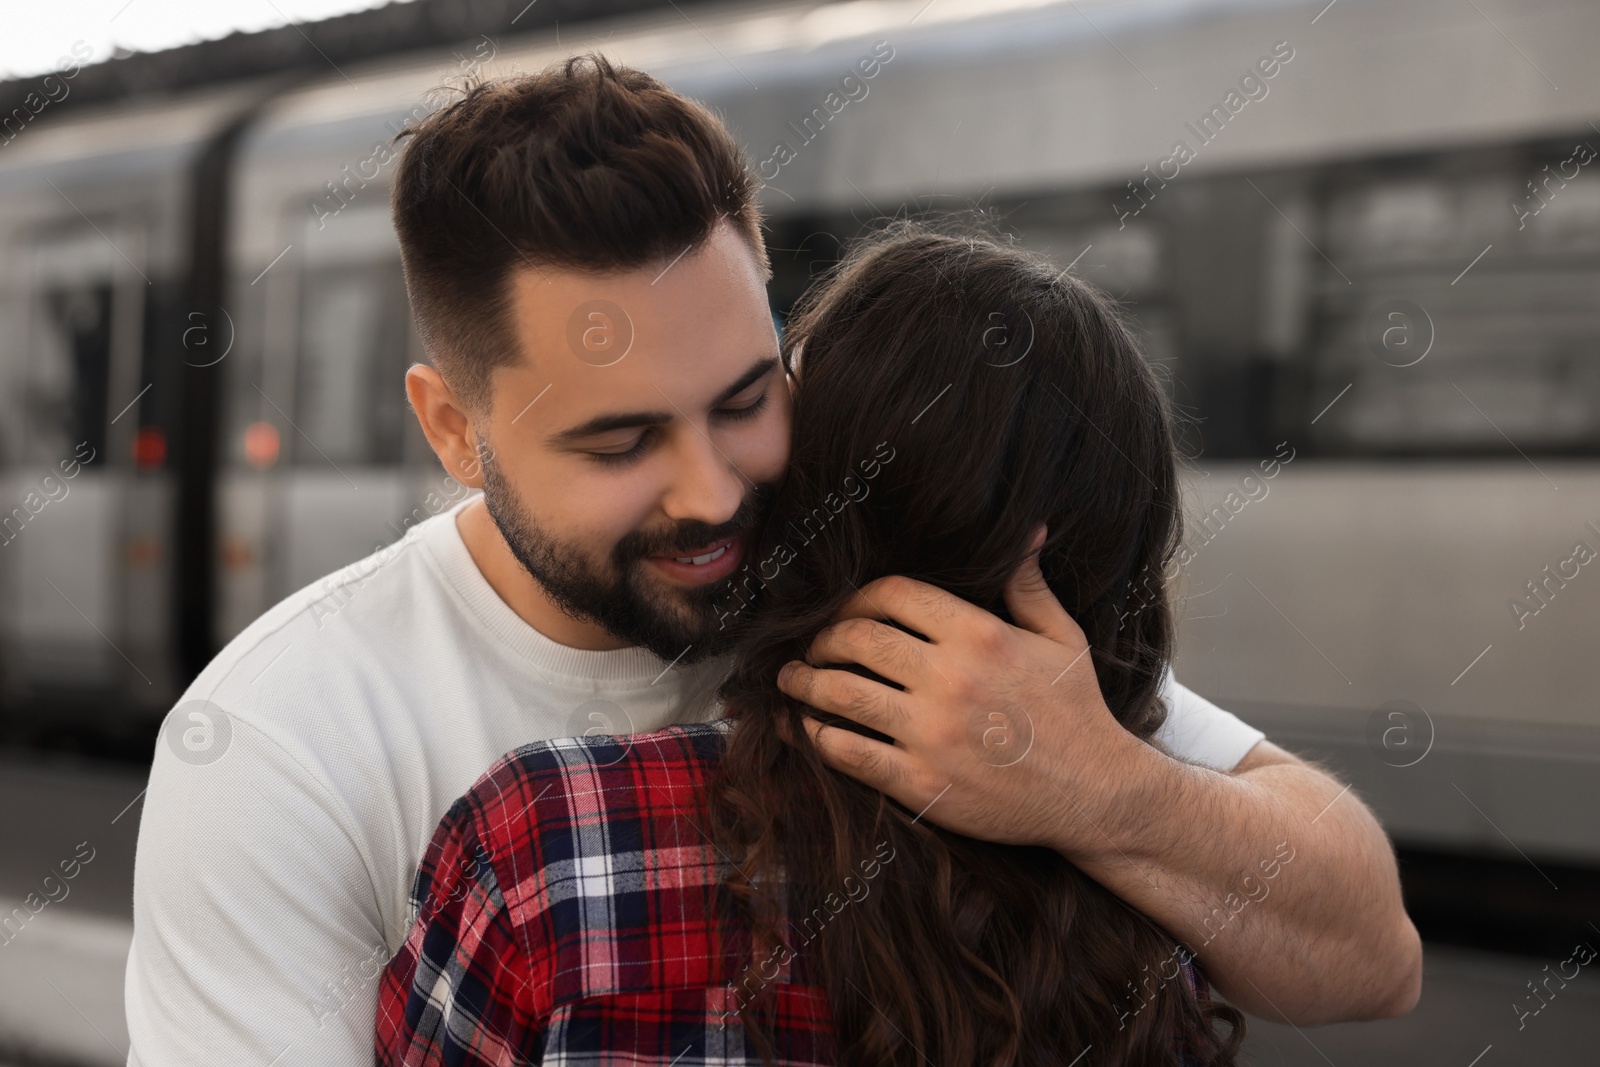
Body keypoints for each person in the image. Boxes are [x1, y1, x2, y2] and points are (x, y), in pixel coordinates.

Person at [124, 57, 1418, 1067]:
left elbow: (1367, 952)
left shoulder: (882, 571)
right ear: (454, 428)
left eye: (747, 395)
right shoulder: (281, 739)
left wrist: (1100, 789)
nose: (716, 486)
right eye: (623, 437)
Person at [377, 222, 1249, 1066]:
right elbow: (1380, 961)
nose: (713, 494)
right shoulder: (1166, 910)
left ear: (818, 497)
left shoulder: (550, 840)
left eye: (757, 401)